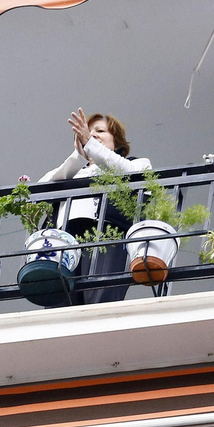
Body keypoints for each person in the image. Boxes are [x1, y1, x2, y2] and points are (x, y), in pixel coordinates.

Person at [41, 109, 152, 305]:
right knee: (63, 303)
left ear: (116, 142)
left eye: (100, 131)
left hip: (106, 235)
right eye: (88, 132)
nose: (92, 135)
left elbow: (132, 176)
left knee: (101, 297)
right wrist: (78, 156)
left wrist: (91, 145)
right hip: (66, 240)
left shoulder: (137, 163)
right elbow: (40, 191)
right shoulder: (73, 170)